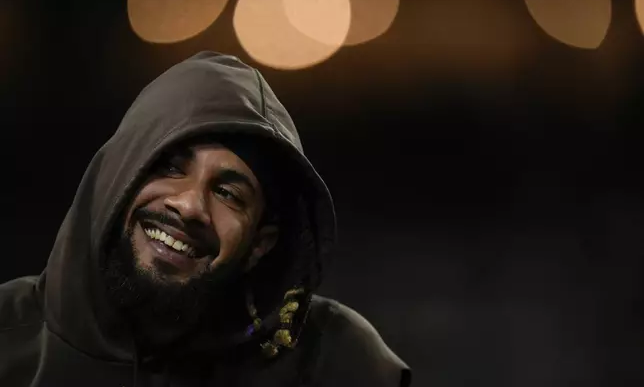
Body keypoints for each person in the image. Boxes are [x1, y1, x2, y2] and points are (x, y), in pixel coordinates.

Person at [0, 52, 411, 387]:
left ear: (259, 245)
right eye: (170, 167)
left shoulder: (337, 364)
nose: (190, 205)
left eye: (228, 194)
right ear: (115, 174)